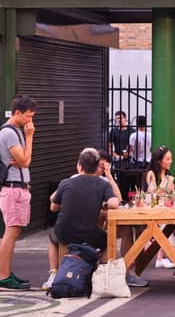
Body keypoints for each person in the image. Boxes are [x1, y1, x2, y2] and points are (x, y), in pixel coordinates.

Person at [44, 148, 120, 290]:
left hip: (64, 233)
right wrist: (105, 203)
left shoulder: (66, 182)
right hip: (90, 233)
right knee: (108, 240)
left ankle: (53, 273)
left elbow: (53, 207)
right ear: (98, 167)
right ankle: (100, 275)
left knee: (53, 238)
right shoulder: (102, 184)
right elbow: (115, 203)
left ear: (79, 166)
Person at [97, 150, 148, 288]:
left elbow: (118, 199)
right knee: (124, 228)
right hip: (92, 226)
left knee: (126, 229)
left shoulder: (104, 181)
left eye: (105, 166)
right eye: (101, 166)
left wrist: (110, 177)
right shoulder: (81, 179)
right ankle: (125, 271)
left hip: (103, 224)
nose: (102, 169)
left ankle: (127, 270)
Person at [0, 95, 36, 291]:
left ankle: (5, 272)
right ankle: (3, 276)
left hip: (18, 187)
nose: (30, 121)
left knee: (13, 232)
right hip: (13, 188)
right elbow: (24, 161)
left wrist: (25, 153)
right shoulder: (10, 134)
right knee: (10, 232)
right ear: (17, 113)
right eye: (28, 116)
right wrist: (30, 138)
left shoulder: (16, 131)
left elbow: (24, 159)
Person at [145, 145, 175, 269]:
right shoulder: (151, 174)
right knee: (169, 227)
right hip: (153, 212)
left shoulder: (168, 175)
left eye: (171, 158)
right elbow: (151, 194)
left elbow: (171, 196)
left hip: (166, 211)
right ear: (159, 161)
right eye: (168, 159)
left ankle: (162, 258)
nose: (171, 161)